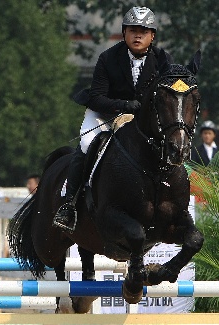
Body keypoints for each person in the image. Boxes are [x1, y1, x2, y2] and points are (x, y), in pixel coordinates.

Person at [54, 7, 171, 231]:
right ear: (124, 33)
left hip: (141, 120)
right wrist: (124, 105)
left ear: (152, 36)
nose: (138, 35)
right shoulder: (108, 57)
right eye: (133, 30)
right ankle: (69, 205)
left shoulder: (163, 60)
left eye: (144, 31)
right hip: (105, 114)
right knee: (87, 144)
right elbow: (97, 98)